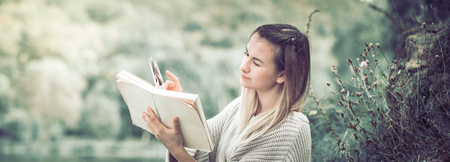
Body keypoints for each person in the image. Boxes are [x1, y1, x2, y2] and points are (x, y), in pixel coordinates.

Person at [142, 23, 312, 161]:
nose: (243, 66)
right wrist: (179, 105)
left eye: (256, 63)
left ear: (282, 74)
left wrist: (177, 150)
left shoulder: (290, 131)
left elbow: (184, 149)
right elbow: (200, 143)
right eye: (246, 54)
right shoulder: (239, 108)